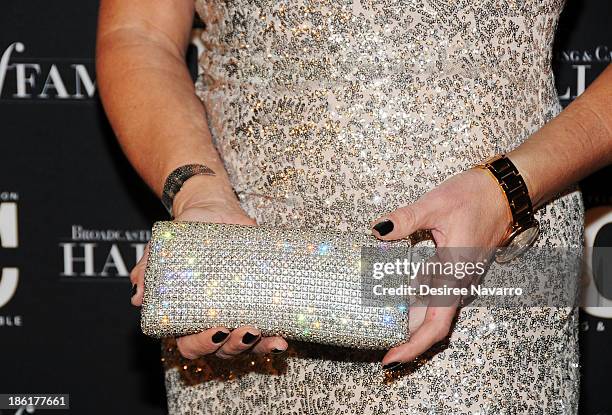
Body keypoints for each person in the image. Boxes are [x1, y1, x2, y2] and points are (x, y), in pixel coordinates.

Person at [95, 0, 612, 413]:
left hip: (485, 258)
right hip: (250, 269)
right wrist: (200, 197)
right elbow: (139, 34)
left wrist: (507, 190)